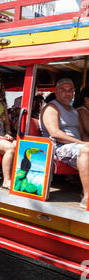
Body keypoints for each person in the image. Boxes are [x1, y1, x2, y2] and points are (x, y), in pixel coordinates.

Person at [40, 78, 89, 209]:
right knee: (86, 151)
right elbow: (55, 133)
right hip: (58, 148)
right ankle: (87, 197)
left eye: (70, 90)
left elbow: (82, 132)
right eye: (63, 90)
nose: (68, 93)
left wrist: (85, 142)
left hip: (75, 146)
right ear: (56, 93)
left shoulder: (74, 111)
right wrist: (83, 144)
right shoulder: (51, 108)